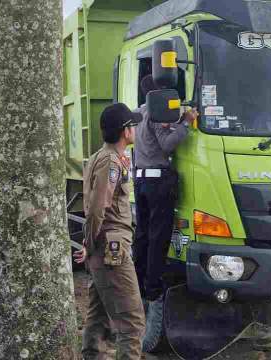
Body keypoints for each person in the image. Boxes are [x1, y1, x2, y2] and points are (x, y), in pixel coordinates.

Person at [75, 103, 144, 360]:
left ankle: (92, 355)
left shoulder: (98, 157)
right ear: (125, 131)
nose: (135, 129)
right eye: (133, 125)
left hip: (103, 248)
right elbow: (97, 208)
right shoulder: (111, 162)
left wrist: (89, 243)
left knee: (98, 312)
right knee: (132, 322)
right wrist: (89, 243)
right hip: (111, 249)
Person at [133, 75, 198, 302]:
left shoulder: (138, 112)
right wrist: (186, 122)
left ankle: (137, 285)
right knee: (158, 237)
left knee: (142, 236)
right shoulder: (156, 113)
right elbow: (167, 144)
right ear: (159, 93)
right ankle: (152, 290)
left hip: (140, 180)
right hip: (157, 182)